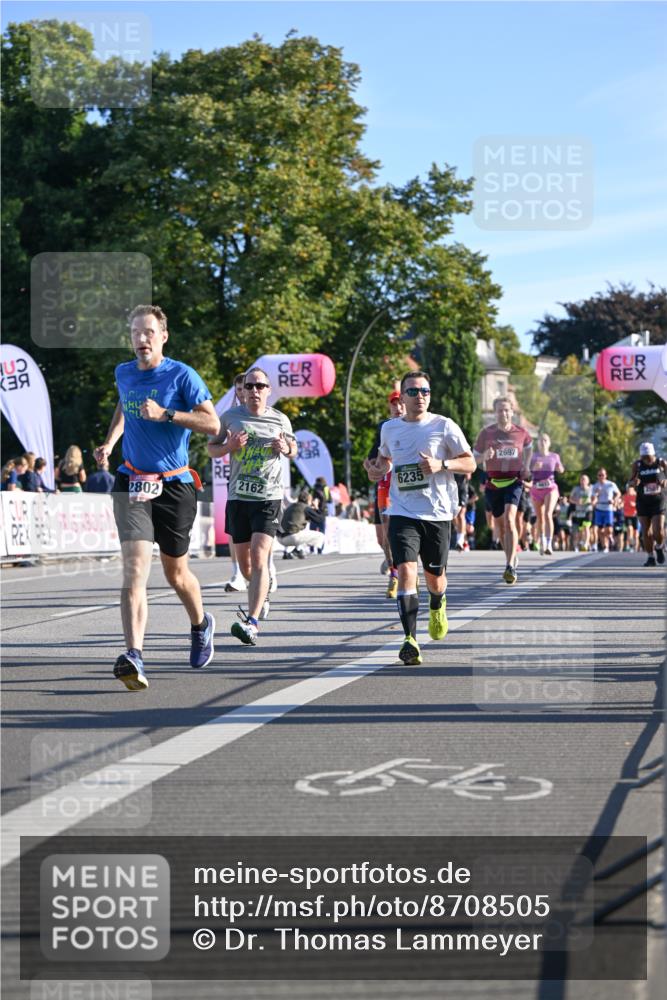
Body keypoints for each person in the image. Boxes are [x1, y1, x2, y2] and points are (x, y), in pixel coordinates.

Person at [94, 304, 220, 691]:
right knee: (135, 569)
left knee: (175, 573)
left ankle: (200, 624)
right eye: (135, 332)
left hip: (174, 484)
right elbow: (123, 403)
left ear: (163, 336)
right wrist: (111, 441)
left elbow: (212, 423)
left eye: (148, 332)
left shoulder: (182, 375)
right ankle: (134, 654)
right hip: (132, 481)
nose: (141, 339)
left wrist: (167, 414)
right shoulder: (124, 373)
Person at [365, 370, 475, 666]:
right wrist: (376, 469)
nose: (420, 397)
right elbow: (384, 460)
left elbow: (470, 463)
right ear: (402, 397)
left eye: (425, 391)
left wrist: (442, 464)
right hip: (402, 511)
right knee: (406, 570)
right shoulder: (389, 429)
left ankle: (437, 603)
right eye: (413, 392)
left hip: (438, 513)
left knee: (435, 579)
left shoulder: (444, 425)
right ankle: (410, 639)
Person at [208, 366, 297, 645]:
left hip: (268, 498)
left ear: (268, 391)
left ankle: (252, 622)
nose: (254, 391)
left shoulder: (280, 420)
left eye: (260, 386)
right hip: (238, 498)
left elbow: (294, 449)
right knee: (246, 567)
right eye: (249, 386)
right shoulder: (230, 417)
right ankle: (263, 593)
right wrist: (229, 447)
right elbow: (212, 449)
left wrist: (285, 449)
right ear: (242, 391)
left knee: (260, 558)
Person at [473, 397, 532, 584]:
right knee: (499, 526)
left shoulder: (521, 433)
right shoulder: (486, 433)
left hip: (514, 481)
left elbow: (529, 447)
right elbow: (473, 459)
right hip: (493, 484)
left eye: (506, 410)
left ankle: (509, 566)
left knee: (509, 519)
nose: (503, 413)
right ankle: (511, 557)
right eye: (500, 410)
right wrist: (484, 456)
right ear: (495, 412)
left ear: (512, 412)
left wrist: (527, 466)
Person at [367, 390, 406, 598]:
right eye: (394, 404)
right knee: (382, 538)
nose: (398, 408)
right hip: (383, 484)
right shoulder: (384, 427)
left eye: (401, 404)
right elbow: (372, 457)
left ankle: (398, 574)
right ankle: (397, 568)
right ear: (389, 407)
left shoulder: (414, 427)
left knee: (396, 532)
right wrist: (370, 468)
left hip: (403, 487)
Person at [630, 442, 667, 567]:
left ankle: (659, 546)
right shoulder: (637, 465)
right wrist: (634, 482)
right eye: (644, 457)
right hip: (643, 501)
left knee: (658, 530)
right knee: (646, 531)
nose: (646, 459)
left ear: (653, 454)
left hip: (658, 500)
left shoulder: (661, 463)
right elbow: (630, 482)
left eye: (649, 457)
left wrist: (665, 481)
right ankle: (650, 557)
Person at [528, 432, 564, 555]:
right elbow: (526, 473)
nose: (542, 443)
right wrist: (534, 468)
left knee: (548, 514)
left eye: (545, 440)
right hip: (536, 488)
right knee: (540, 518)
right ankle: (542, 541)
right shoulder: (533, 457)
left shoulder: (554, 456)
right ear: (537, 443)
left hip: (550, 487)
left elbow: (561, 468)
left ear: (549, 443)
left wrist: (560, 469)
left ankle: (549, 544)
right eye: (540, 440)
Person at [278, 488, 326, 557]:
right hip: (291, 538)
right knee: (320, 536)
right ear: (308, 500)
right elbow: (320, 520)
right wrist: (316, 507)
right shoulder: (305, 508)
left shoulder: (291, 506)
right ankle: (297, 550)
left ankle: (288, 551)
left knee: (298, 529)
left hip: (280, 538)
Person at [590, 468, 621, 553]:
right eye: (599, 475)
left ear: (606, 475)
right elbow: (592, 498)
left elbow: (618, 493)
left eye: (602, 475)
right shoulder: (595, 486)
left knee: (609, 529)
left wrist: (614, 499)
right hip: (599, 508)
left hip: (608, 508)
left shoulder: (611, 484)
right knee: (600, 530)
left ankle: (610, 536)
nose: (601, 477)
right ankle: (605, 546)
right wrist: (597, 494)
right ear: (597, 476)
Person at [569, 474, 594, 552]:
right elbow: (570, 498)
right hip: (579, 511)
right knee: (579, 530)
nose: (583, 481)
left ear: (588, 481)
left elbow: (595, 498)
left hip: (588, 510)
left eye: (584, 479)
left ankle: (585, 544)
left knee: (586, 527)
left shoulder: (591, 489)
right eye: (581, 479)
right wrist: (576, 501)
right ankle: (578, 544)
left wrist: (591, 501)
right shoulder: (576, 489)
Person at [622, 483, 639, 552]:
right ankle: (630, 546)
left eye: (630, 488)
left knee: (636, 533)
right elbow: (621, 504)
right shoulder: (624, 496)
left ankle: (636, 547)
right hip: (627, 515)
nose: (628, 489)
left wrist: (635, 505)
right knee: (629, 529)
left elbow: (640, 505)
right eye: (627, 488)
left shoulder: (636, 496)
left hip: (635, 516)